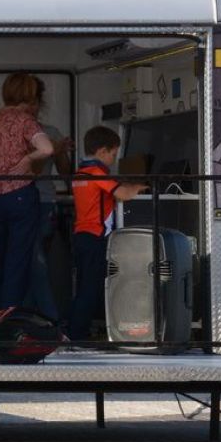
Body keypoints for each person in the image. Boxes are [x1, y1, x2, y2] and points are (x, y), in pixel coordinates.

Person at [0, 72, 60, 319]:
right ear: (31, 95)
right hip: (20, 196)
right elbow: (48, 148)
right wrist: (27, 159)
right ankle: (7, 327)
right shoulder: (25, 121)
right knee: (16, 265)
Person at [68, 125, 148, 343]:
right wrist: (140, 187)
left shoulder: (79, 173)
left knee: (84, 286)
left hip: (81, 234)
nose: (113, 159)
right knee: (92, 288)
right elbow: (121, 193)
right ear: (102, 151)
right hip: (96, 236)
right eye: (113, 154)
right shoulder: (97, 173)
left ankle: (74, 330)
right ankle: (77, 336)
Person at [23, 77, 73, 319]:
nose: (31, 108)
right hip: (23, 202)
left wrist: (61, 151)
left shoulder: (51, 132)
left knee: (35, 262)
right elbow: (29, 168)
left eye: (34, 103)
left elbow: (66, 172)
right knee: (34, 264)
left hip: (44, 202)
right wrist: (51, 149)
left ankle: (39, 320)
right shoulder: (19, 134)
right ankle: (46, 320)